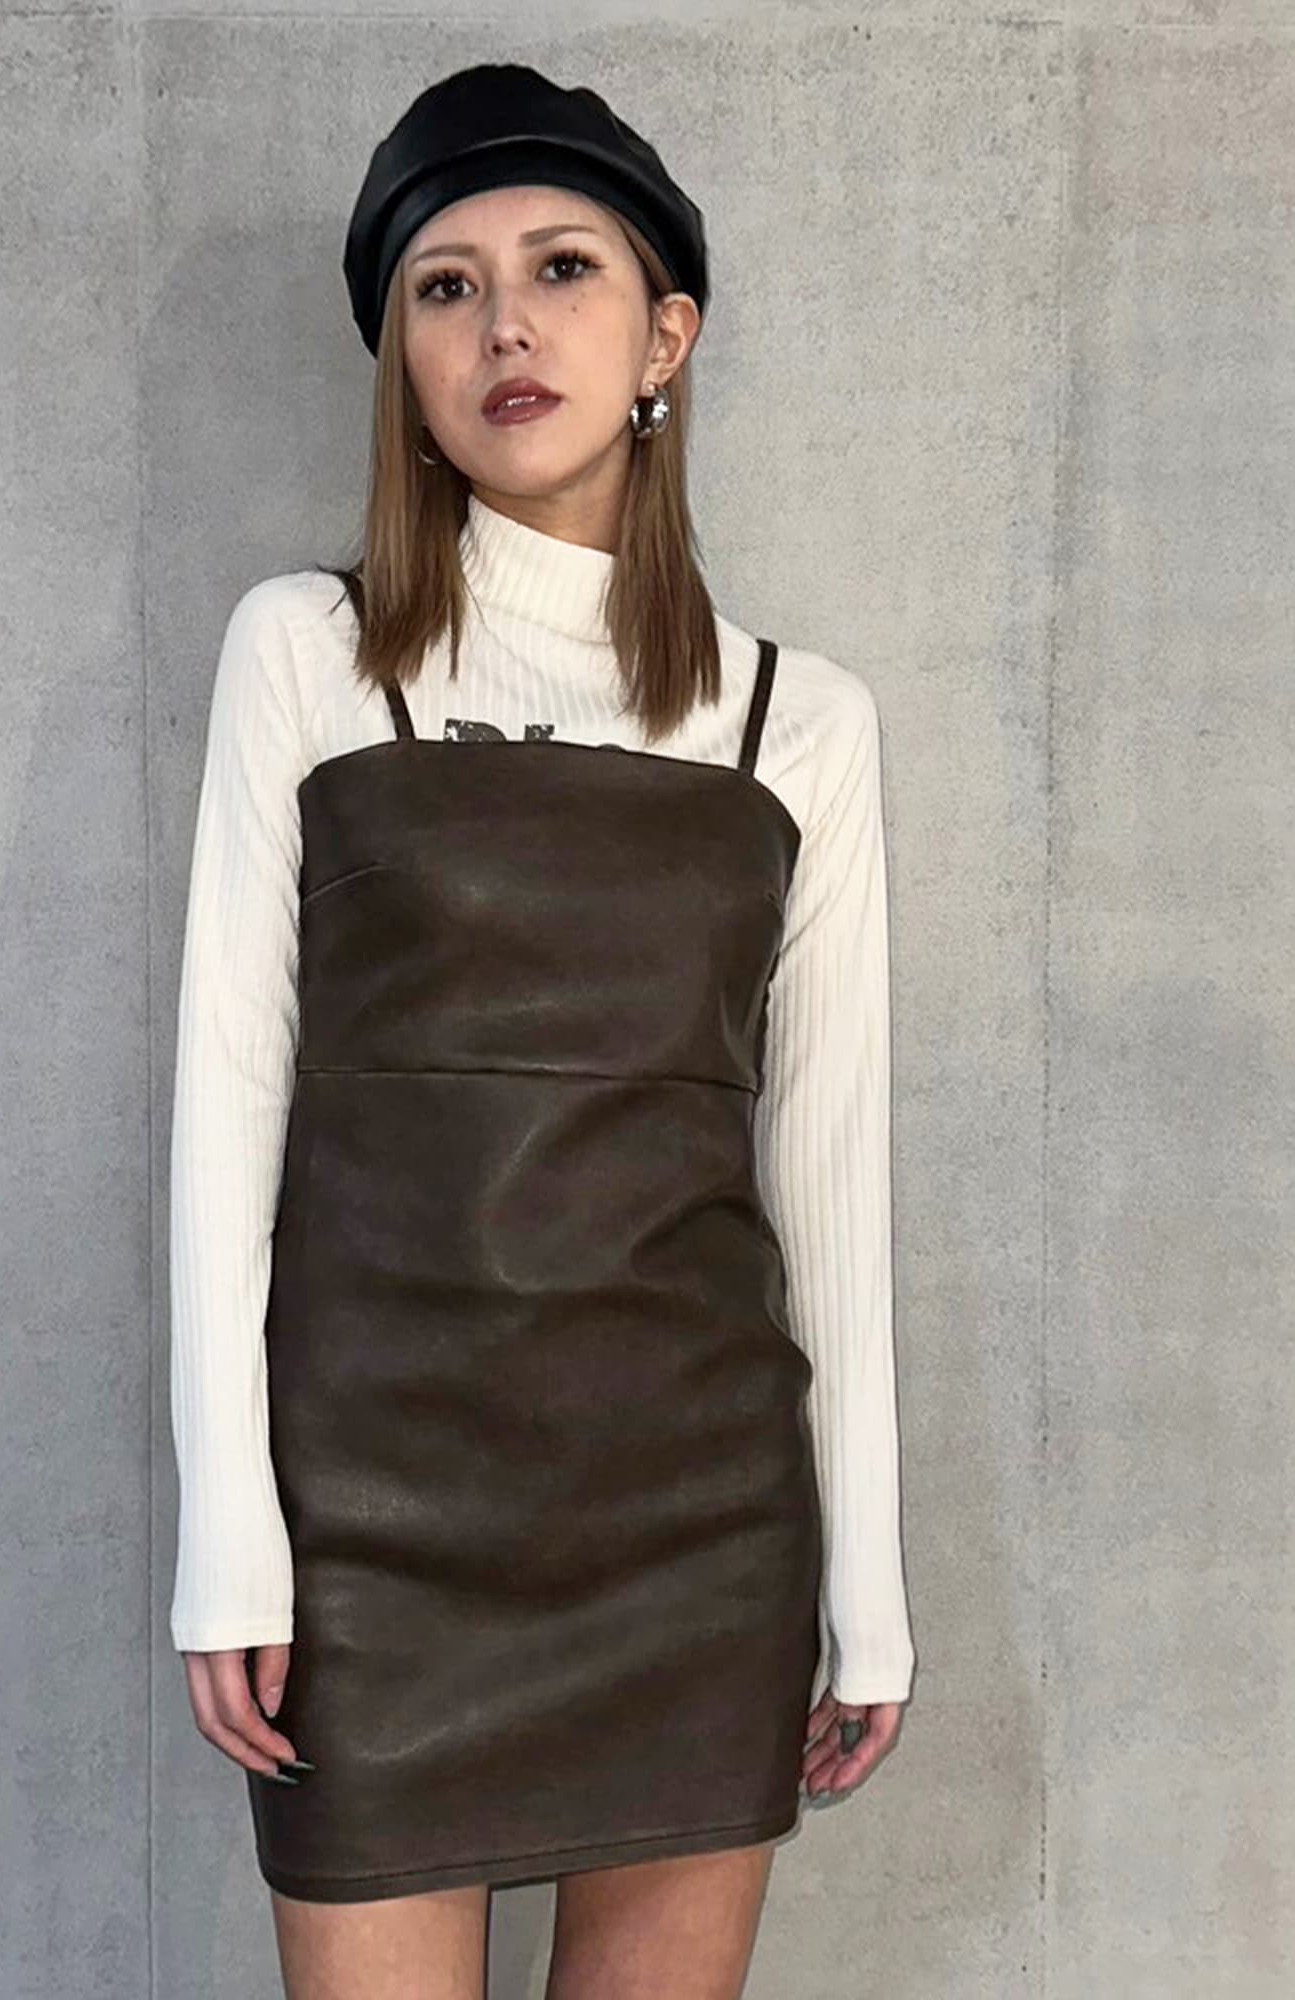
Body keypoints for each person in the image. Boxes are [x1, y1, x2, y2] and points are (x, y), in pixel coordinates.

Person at [168, 61, 916, 2000]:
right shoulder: (307, 654)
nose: (506, 323)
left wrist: (870, 1582)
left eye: (563, 268)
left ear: (666, 337)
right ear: (403, 363)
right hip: (377, 1525)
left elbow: (827, 1178)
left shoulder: (799, 721)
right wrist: (232, 1537)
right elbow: (226, 1115)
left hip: (697, 1530)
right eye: (447, 285)